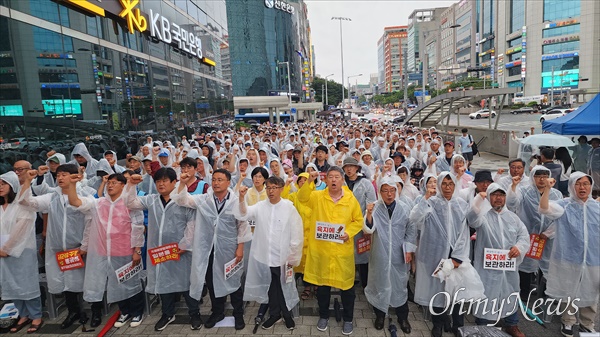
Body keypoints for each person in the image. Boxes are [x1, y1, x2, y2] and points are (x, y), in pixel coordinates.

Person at [19, 164, 104, 329]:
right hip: (62, 250)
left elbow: (91, 221)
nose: (60, 178)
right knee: (67, 282)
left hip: (82, 248)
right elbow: (27, 203)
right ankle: (74, 312)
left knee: (91, 280)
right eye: (58, 175)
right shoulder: (52, 197)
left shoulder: (87, 194)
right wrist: (27, 182)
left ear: (75, 177)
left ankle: (96, 311)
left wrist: (85, 245)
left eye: (64, 175)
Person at [173, 169, 250, 331]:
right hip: (208, 248)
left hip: (229, 248)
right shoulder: (204, 199)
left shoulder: (236, 200)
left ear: (229, 182)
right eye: (214, 179)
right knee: (213, 281)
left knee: (233, 281)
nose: (216, 183)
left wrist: (240, 248)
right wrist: (182, 182)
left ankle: (238, 313)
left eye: (220, 180)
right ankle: (217, 312)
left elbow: (242, 224)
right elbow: (181, 200)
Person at [66, 173, 146, 328]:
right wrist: (72, 184)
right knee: (115, 283)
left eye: (114, 183)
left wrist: (137, 250)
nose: (110, 185)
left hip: (125, 250)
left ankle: (137, 312)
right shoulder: (99, 203)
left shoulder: (129, 203)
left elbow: (138, 227)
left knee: (130, 282)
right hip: (106, 252)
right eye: (109, 182)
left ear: (123, 185)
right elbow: (75, 201)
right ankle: (125, 311)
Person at [123, 168, 199, 331]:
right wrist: (130, 185)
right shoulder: (151, 200)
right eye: (158, 181)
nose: (161, 184)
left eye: (165, 180)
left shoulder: (183, 200)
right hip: (159, 250)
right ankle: (167, 314)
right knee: (163, 280)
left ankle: (195, 314)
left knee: (186, 282)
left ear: (174, 182)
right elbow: (130, 203)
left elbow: (192, 223)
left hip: (179, 250)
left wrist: (185, 245)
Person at [297, 167, 363, 335]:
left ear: (342, 180)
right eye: (330, 177)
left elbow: (358, 220)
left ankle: (348, 319)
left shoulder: (350, 199)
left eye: (337, 177)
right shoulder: (317, 196)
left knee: (347, 288)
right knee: (323, 287)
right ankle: (324, 315)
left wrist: (348, 233)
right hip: (323, 252)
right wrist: (309, 182)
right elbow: (302, 198)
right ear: (326, 180)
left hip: (342, 252)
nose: (333, 180)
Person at [236, 176, 303, 330]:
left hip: (283, 256)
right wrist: (241, 197)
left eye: (274, 188)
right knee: (271, 286)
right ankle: (274, 314)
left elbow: (296, 231)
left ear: (281, 188)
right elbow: (244, 214)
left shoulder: (288, 207)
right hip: (265, 256)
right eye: (268, 188)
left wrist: (293, 254)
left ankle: (286, 314)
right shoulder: (260, 206)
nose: (271, 191)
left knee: (283, 286)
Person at [409, 172, 470, 337]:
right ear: (439, 185)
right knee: (438, 289)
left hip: (455, 255)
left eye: (451, 184)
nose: (448, 187)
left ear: (455, 186)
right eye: (444, 183)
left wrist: (458, 256)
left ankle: (458, 325)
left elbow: (464, 233)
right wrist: (425, 199)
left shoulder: (461, 205)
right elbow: (414, 218)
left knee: (457, 290)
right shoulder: (432, 203)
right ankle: (438, 323)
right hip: (435, 254)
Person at [467, 183, 530, 337]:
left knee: (510, 292)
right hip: (487, 268)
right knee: (486, 294)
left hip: (508, 268)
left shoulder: (513, 218)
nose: (498, 198)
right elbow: (472, 220)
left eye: (501, 195)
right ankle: (483, 324)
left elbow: (524, 236)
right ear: (489, 197)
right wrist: (478, 201)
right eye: (494, 195)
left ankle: (511, 324)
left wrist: (519, 247)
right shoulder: (483, 216)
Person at [543, 172, 599, 337]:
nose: (582, 187)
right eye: (578, 184)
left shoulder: (597, 207)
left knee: (591, 289)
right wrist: (547, 189)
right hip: (569, 257)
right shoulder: (563, 205)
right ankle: (568, 321)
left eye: (586, 184)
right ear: (571, 186)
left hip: (593, 258)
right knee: (570, 289)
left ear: (591, 186)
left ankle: (587, 324)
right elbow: (544, 208)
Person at [363, 176, 415, 333]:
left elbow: (411, 229)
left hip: (400, 254)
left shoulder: (404, 207)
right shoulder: (375, 208)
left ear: (397, 190)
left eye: (392, 190)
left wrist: (409, 249)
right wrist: (369, 214)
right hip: (380, 253)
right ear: (380, 191)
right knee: (380, 283)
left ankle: (402, 317)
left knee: (400, 285)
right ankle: (380, 314)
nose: (389, 194)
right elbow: (368, 229)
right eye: (385, 191)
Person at [506, 166, 563, 302]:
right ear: (532, 177)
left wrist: (549, 232)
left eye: (545, 175)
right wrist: (513, 187)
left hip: (548, 237)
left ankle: (544, 292)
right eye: (538, 176)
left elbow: (561, 216)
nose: (542, 179)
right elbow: (512, 203)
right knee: (526, 263)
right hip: (529, 234)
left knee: (547, 263)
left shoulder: (556, 194)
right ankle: (524, 292)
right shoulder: (525, 191)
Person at [0, 172, 43, 334]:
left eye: (4, 183)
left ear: (12, 186)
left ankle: (36, 316)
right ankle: (23, 315)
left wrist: (7, 249)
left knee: (27, 284)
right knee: (10, 284)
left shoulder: (20, 205)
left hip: (22, 251)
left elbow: (22, 229)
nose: (0, 187)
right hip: (2, 252)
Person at [342, 157, 376, 289]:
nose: (349, 169)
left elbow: (371, 204)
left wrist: (366, 226)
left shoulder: (365, 183)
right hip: (344, 225)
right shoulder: (341, 183)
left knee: (363, 254)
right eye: (346, 167)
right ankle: (346, 282)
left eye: (352, 166)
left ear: (357, 168)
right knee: (346, 254)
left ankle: (365, 284)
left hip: (361, 224)